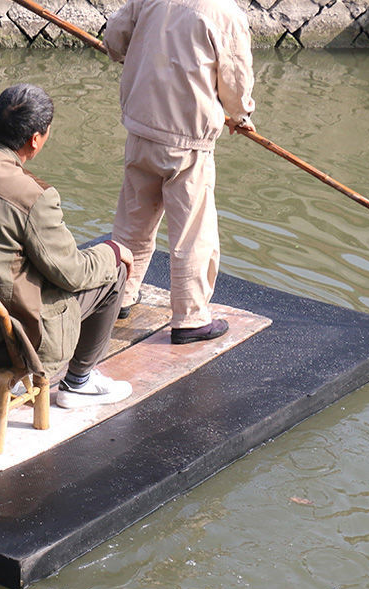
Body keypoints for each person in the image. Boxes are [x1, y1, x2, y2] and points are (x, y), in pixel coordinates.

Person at [0, 83, 133, 409]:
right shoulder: (34, 195)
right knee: (113, 269)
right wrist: (114, 251)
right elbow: (73, 274)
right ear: (35, 139)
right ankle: (79, 382)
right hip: (6, 343)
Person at [104, 0, 256, 343]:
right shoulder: (225, 12)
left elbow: (114, 37)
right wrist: (240, 115)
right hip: (188, 139)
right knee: (192, 231)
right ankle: (191, 318)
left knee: (132, 222)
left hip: (142, 127)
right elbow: (234, 77)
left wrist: (126, 53)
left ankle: (119, 295)